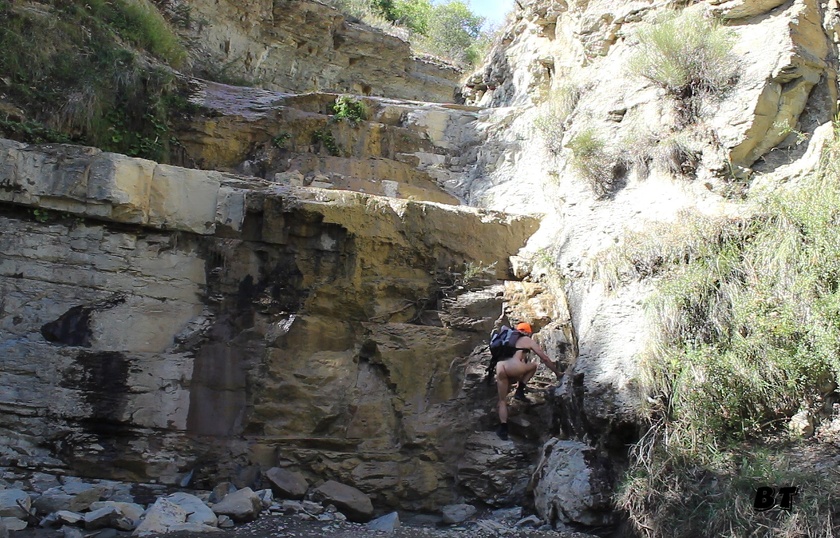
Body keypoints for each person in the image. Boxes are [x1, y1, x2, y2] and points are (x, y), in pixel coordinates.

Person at [494, 322, 562, 440]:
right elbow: (544, 358)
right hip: (514, 367)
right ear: (527, 332)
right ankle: (520, 391)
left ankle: (503, 429)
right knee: (533, 365)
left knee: (502, 401)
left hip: (499, 367)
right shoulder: (526, 340)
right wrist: (557, 373)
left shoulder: (507, 338)